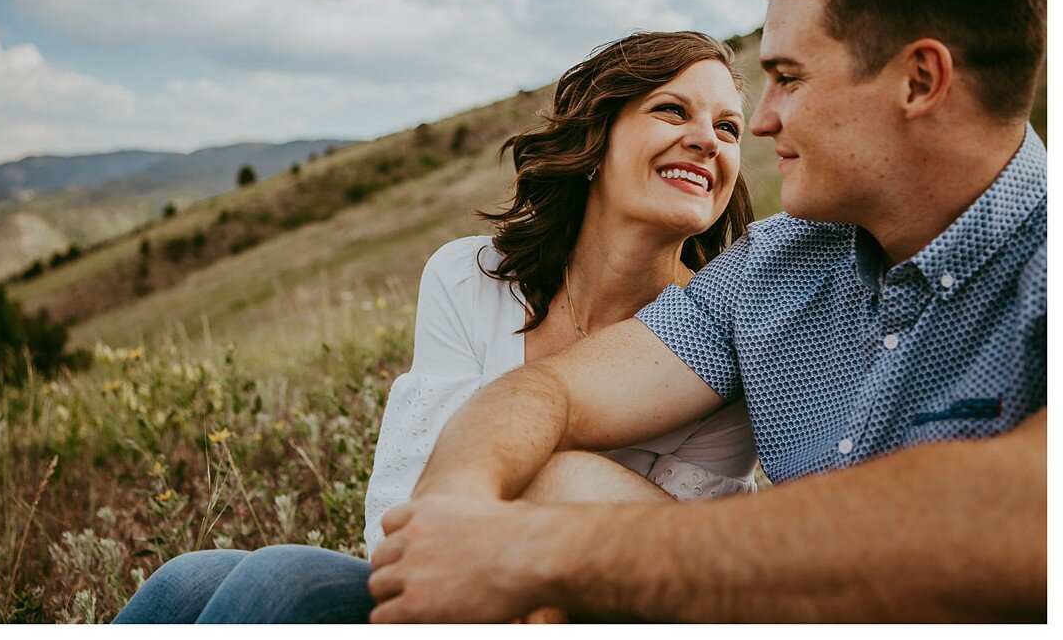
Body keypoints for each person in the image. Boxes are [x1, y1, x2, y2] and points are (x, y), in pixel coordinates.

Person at [367, 0, 1047, 622]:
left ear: (919, 81)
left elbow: (1029, 514)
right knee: (257, 585)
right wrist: (457, 513)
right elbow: (549, 391)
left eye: (787, 78)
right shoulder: (773, 264)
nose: (761, 123)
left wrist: (537, 552)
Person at [114, 31, 760, 623]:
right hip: (440, 590)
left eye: (729, 127)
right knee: (186, 579)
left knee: (283, 580)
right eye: (673, 111)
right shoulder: (471, 279)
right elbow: (400, 506)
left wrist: (506, 465)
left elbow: (672, 573)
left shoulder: (718, 344)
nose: (708, 137)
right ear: (597, 140)